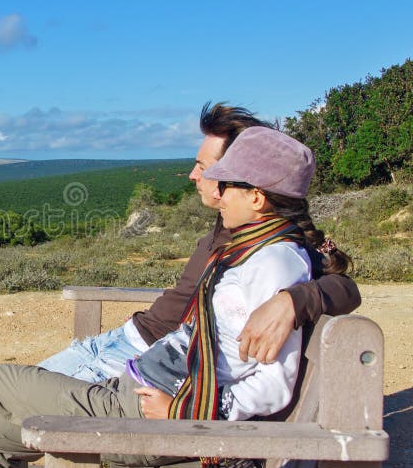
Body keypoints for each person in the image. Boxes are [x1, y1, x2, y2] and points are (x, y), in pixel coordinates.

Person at [0, 127, 353, 468]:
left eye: (224, 180)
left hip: (147, 409)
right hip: (137, 385)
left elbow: (274, 384)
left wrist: (182, 414)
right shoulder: (255, 248)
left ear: (256, 197)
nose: (212, 185)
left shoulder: (273, 265)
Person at [38, 103, 360, 382]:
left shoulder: (265, 240)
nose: (193, 175)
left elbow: (345, 289)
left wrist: (294, 301)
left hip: (140, 359)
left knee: (2, 403)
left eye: (204, 167)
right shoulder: (229, 220)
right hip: (120, 340)